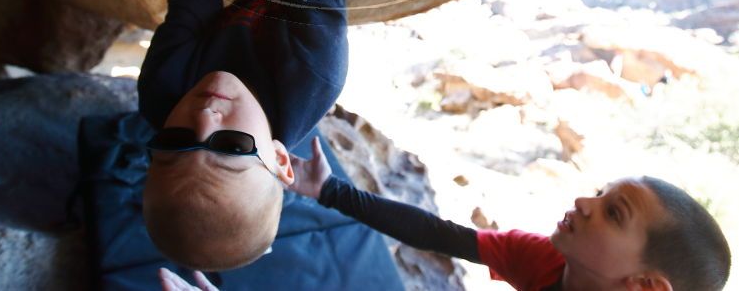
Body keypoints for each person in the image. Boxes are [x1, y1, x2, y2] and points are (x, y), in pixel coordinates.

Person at [138, 0, 351, 272]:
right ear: (280, 158)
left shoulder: (162, 90)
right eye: (232, 145)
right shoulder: (315, 75)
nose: (204, 116)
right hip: (306, 6)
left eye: (175, 140)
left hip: (253, 11)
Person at [290, 137, 732, 291]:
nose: (584, 203)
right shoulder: (542, 259)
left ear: (647, 286)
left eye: (613, 213)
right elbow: (438, 233)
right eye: (600, 194)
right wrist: (330, 191)